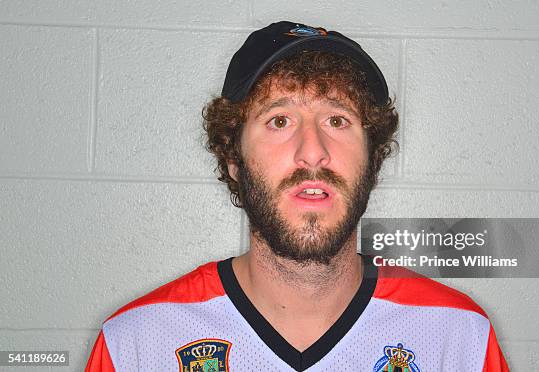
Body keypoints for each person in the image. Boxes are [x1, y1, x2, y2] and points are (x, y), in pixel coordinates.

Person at [85, 21, 508, 371]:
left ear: (372, 159)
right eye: (280, 119)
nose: (313, 151)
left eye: (338, 120)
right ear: (233, 156)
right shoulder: (136, 346)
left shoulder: (458, 340)